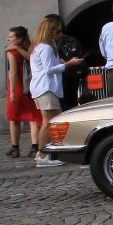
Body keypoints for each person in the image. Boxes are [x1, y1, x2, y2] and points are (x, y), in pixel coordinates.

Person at [29, 14, 82, 168]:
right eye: (57, 31)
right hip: (46, 87)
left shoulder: (44, 46)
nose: (60, 34)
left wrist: (59, 61)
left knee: (57, 119)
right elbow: (48, 70)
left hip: (46, 87)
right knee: (48, 122)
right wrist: (69, 64)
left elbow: (47, 65)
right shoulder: (45, 47)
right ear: (49, 31)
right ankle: (42, 155)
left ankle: (53, 151)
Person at [3, 25, 41, 158]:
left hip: (18, 86)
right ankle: (34, 147)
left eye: (11, 37)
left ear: (19, 39)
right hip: (30, 86)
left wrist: (12, 91)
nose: (8, 39)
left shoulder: (12, 52)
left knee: (14, 118)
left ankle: (15, 148)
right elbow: (31, 58)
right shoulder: (29, 48)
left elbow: (12, 72)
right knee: (33, 117)